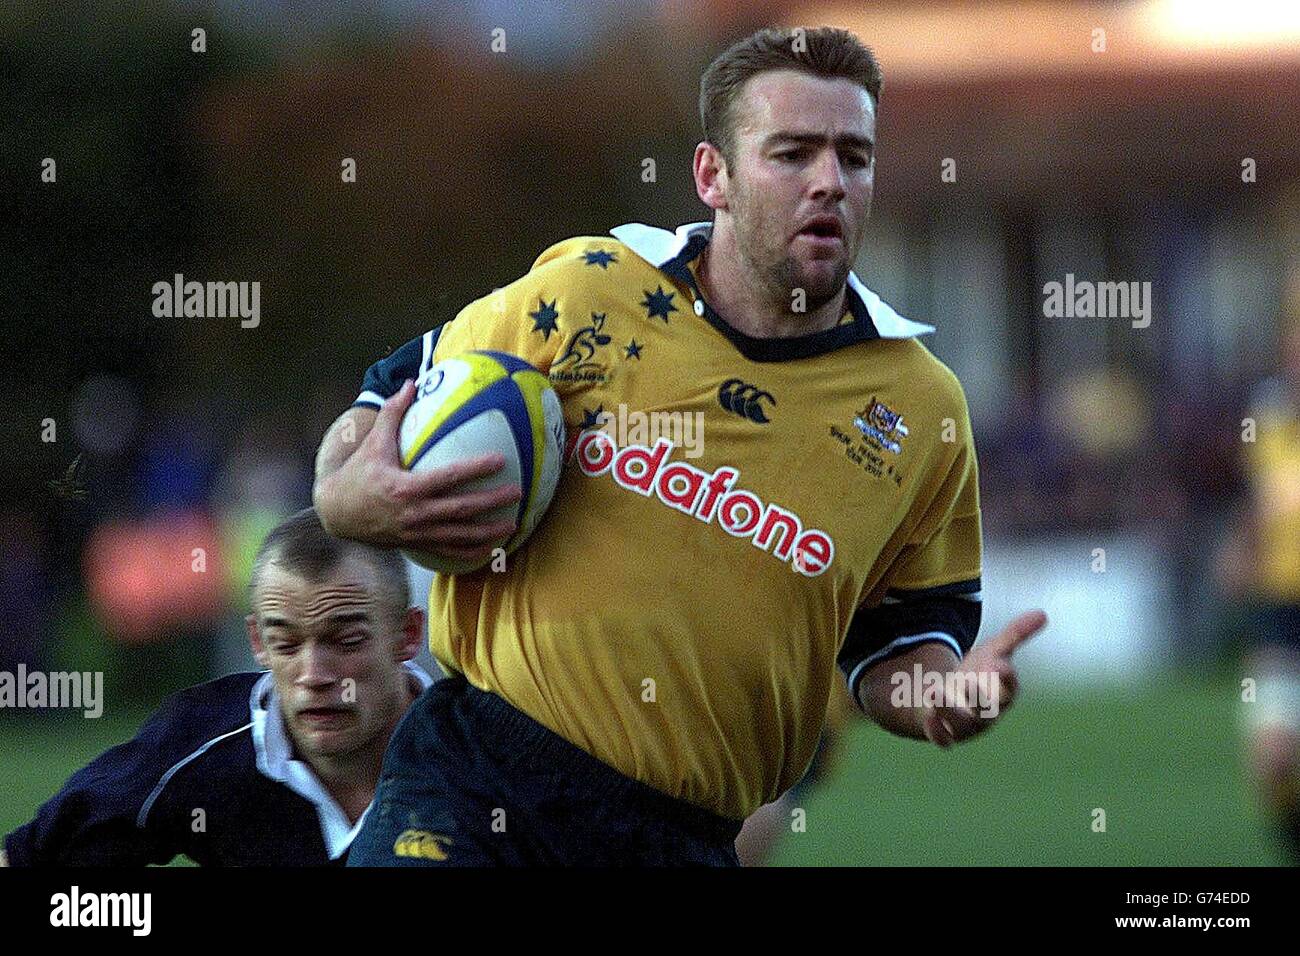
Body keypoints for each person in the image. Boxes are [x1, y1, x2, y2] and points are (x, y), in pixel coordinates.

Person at [315, 26, 1046, 867]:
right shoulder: (588, 288)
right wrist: (344, 497)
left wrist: (939, 693)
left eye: (854, 157)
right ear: (713, 175)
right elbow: (377, 405)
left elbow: (900, 643)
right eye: (792, 154)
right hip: (476, 781)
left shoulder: (920, 409)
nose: (829, 184)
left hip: (685, 839)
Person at [2, 507, 431, 866]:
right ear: (257, 643)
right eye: (286, 644)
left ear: (408, 635)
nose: (314, 675)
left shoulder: (479, 752)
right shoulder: (202, 742)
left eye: (347, 640)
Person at [1218, 272, 1300, 861]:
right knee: (1273, 755)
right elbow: (1263, 497)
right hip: (1279, 603)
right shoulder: (1269, 412)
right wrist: (1240, 545)